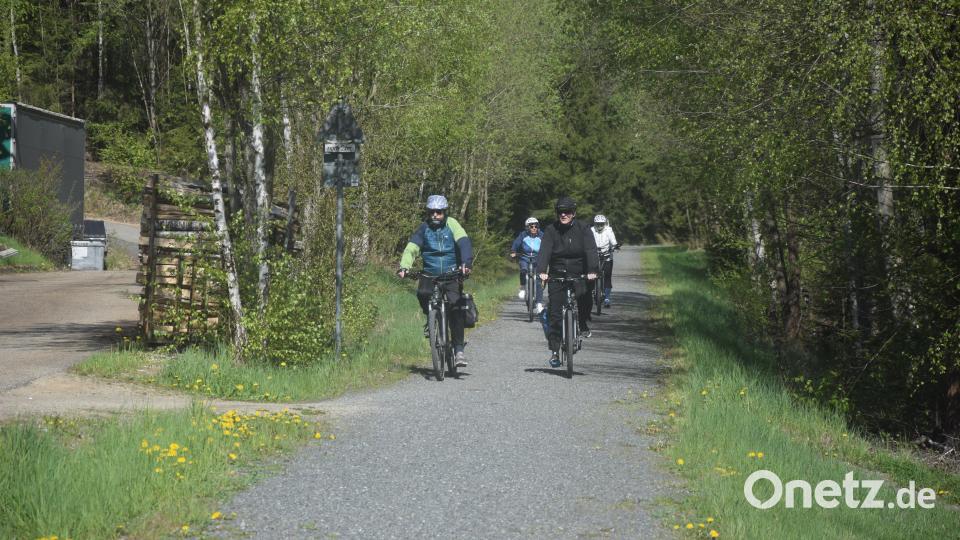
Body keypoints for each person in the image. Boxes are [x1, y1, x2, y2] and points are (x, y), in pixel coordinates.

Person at [398, 195, 473, 367]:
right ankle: (431, 319)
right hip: (430, 274)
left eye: (438, 212)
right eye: (431, 212)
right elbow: (412, 248)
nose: (435, 215)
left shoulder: (452, 224)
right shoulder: (423, 228)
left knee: (456, 308)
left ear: (444, 212)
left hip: (452, 273)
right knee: (423, 293)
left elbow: (464, 243)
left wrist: (466, 263)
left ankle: (459, 349)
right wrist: (404, 266)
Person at [536, 196, 598, 368]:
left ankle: (583, 322)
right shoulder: (550, 230)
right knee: (555, 312)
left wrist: (592, 270)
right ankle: (555, 351)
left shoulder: (583, 228)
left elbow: (590, 249)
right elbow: (545, 250)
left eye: (567, 212)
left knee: (585, 298)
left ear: (574, 213)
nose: (564, 215)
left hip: (580, 272)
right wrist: (541, 271)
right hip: (557, 273)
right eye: (560, 212)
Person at [510, 216, 544, 313]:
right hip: (524, 257)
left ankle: (539, 304)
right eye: (531, 226)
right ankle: (523, 287)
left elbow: (547, 245)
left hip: (538, 259)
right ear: (527, 227)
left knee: (539, 280)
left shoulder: (542, 235)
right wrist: (513, 251)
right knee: (523, 269)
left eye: (535, 226)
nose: (534, 228)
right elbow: (516, 243)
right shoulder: (523, 235)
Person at [591, 214, 619, 307]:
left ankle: (607, 298)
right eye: (597, 224)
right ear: (594, 224)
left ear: (604, 224)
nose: (599, 226)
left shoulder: (608, 230)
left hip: (607, 255)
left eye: (601, 224)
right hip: (594, 255)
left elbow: (613, 240)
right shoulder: (591, 230)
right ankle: (590, 292)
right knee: (590, 274)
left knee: (607, 276)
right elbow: (587, 241)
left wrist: (615, 246)